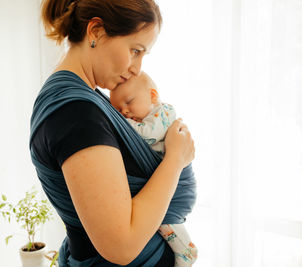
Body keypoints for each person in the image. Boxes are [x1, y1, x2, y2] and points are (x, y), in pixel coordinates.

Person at [29, 0, 196, 266]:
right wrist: (175, 160)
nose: (137, 68)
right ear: (95, 31)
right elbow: (122, 245)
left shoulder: (83, 100)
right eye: (135, 50)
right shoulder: (76, 112)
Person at [110, 71, 198, 266]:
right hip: (167, 178)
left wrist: (117, 123)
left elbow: (147, 136)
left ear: (152, 96)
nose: (124, 111)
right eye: (117, 109)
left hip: (179, 186)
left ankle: (187, 251)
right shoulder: (142, 118)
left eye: (129, 101)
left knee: (163, 222)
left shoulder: (163, 113)